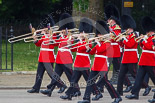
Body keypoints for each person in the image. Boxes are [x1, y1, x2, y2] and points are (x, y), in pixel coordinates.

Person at [78, 20, 122, 103]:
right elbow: (92, 52)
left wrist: (98, 42)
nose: (98, 35)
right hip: (96, 65)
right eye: (98, 34)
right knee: (90, 81)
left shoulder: (107, 42)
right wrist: (88, 48)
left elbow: (101, 50)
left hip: (102, 65)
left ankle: (117, 97)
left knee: (106, 82)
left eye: (100, 34)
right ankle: (86, 98)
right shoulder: (100, 43)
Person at [60, 18, 102, 100]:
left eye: (83, 32)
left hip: (84, 63)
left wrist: (80, 40)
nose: (81, 33)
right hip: (78, 62)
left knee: (89, 80)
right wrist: (70, 44)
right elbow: (74, 49)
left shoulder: (89, 41)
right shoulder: (80, 41)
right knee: (73, 80)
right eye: (81, 32)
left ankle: (97, 93)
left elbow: (84, 48)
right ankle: (69, 94)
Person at [40, 13, 80, 97]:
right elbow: (56, 44)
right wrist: (51, 39)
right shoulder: (61, 36)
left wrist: (68, 37)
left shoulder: (71, 36)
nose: (62, 30)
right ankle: (50, 89)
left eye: (63, 29)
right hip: (59, 58)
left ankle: (77, 90)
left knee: (71, 76)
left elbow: (69, 44)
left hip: (66, 59)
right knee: (55, 75)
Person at [27, 24, 65, 93]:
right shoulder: (43, 36)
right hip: (42, 57)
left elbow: (56, 44)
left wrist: (50, 37)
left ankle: (61, 85)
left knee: (51, 74)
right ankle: (36, 88)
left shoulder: (53, 35)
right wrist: (35, 39)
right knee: (39, 73)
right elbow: (39, 44)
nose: (43, 30)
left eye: (45, 28)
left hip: (48, 58)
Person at [125, 16, 155, 102]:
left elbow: (150, 47)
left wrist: (144, 41)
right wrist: (141, 41)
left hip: (150, 61)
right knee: (138, 78)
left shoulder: (153, 38)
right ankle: (135, 93)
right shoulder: (148, 37)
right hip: (143, 60)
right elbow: (143, 47)